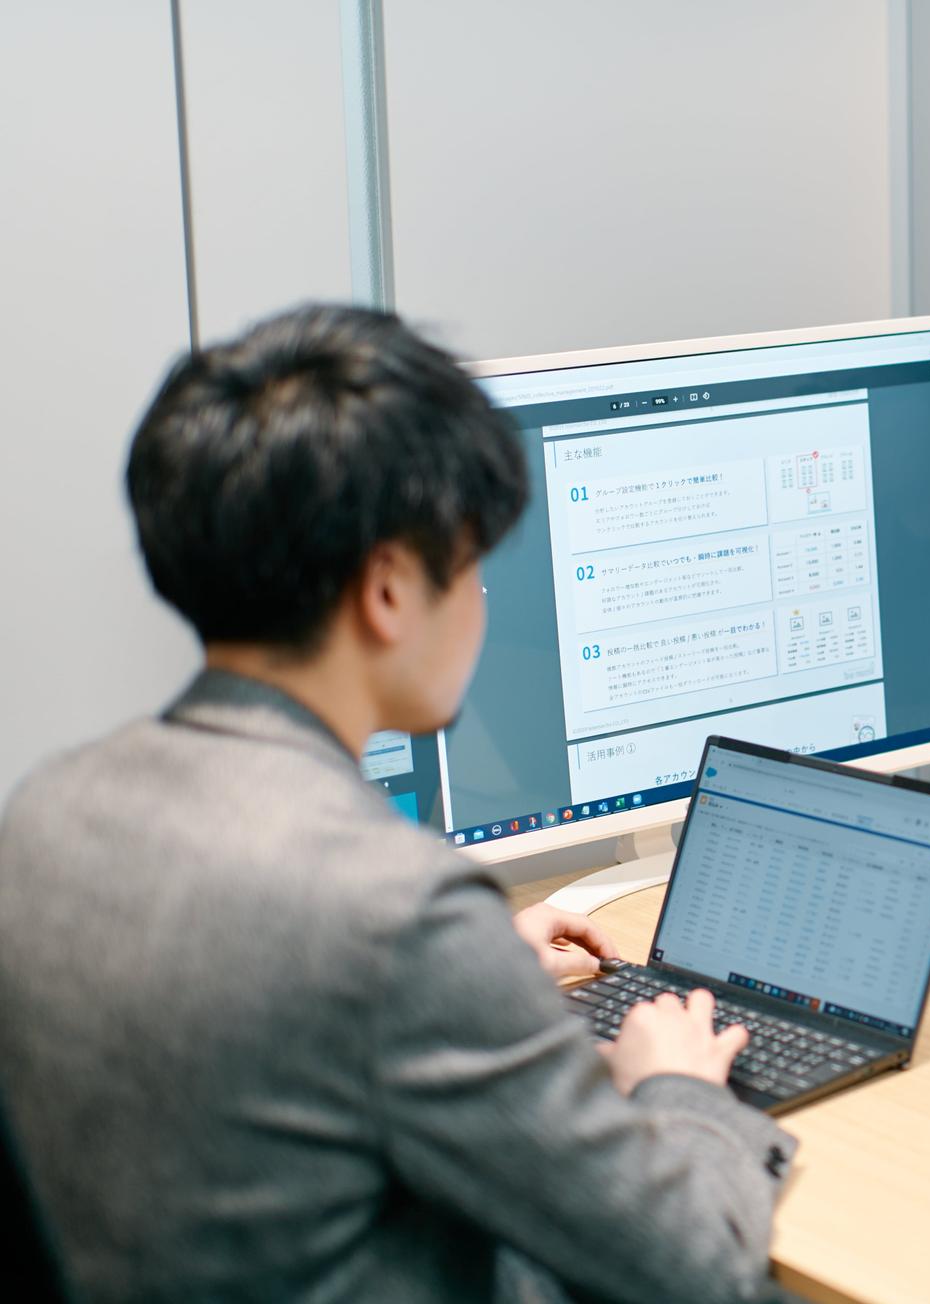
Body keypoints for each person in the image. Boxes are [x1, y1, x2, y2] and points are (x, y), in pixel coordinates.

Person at [0, 305, 792, 1300]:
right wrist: (679, 1089)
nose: (480, 605)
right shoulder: (394, 912)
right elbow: (700, 1272)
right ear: (387, 592)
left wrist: (474, 974)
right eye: (469, 566)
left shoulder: (47, 811)